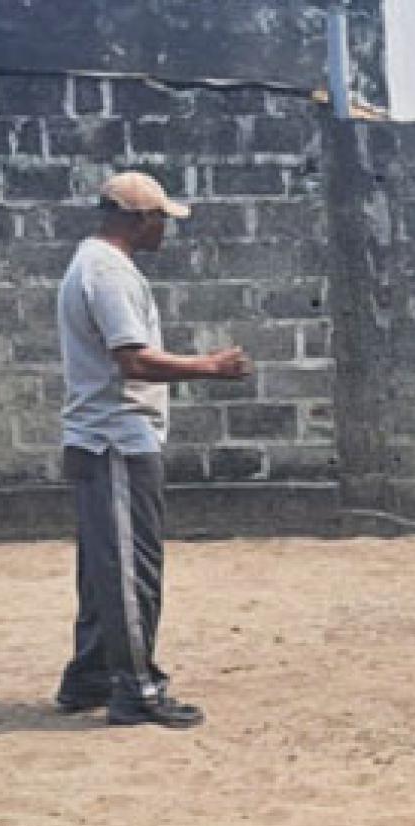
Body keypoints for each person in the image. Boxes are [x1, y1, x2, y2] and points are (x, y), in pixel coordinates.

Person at [53, 172, 251, 729]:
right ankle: (138, 689)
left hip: (101, 437)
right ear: (138, 220)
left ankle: (89, 676)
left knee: (104, 567)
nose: (166, 229)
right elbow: (134, 359)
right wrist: (210, 368)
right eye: (162, 218)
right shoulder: (108, 273)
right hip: (116, 437)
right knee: (129, 569)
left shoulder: (94, 264)